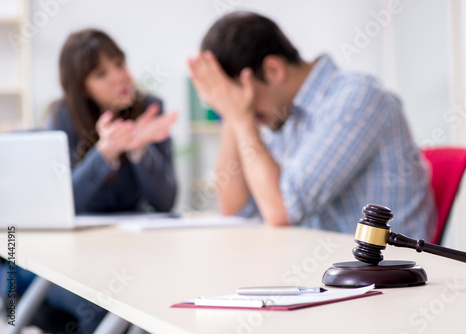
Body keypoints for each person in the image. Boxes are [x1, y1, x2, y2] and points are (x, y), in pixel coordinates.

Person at [188, 11, 437, 239]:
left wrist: (241, 118)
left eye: (245, 99)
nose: (248, 113)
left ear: (273, 70)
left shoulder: (356, 98)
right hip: (324, 275)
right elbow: (236, 210)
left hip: (383, 279)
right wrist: (232, 115)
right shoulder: (284, 116)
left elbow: (281, 211)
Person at [13, 29, 177, 333]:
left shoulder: (150, 108)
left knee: (157, 304)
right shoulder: (64, 117)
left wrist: (141, 150)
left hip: (131, 254)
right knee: (100, 309)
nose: (120, 77)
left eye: (120, 64)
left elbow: (165, 201)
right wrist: (105, 153)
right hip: (73, 260)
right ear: (83, 88)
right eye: (102, 73)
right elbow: (60, 204)